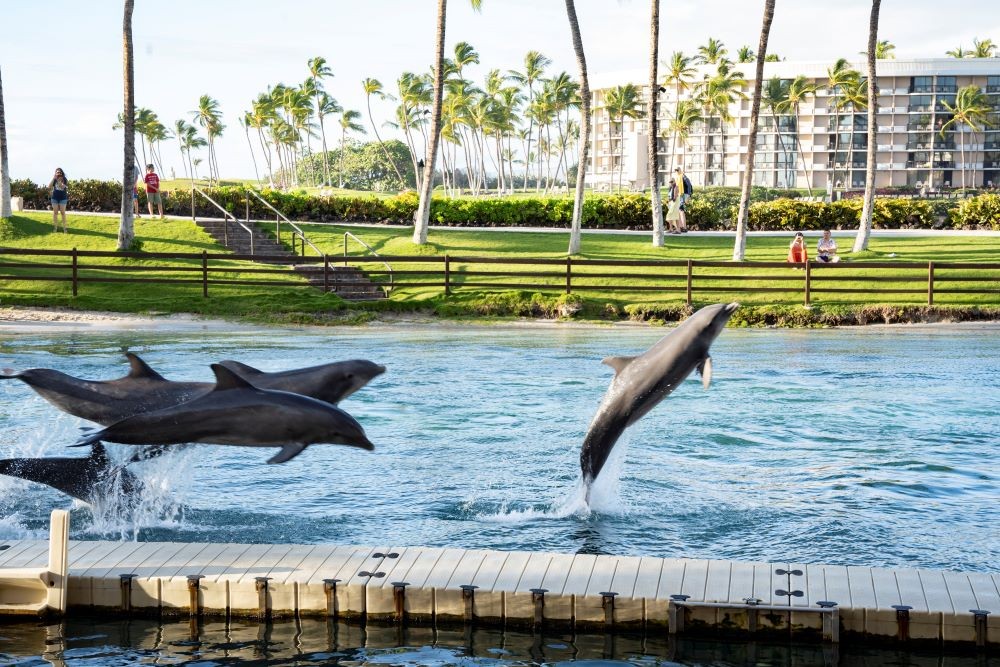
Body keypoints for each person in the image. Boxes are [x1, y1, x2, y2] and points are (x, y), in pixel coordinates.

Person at [49, 168, 69, 232]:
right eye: (57, 172)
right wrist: (53, 178)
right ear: (55, 173)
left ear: (62, 173)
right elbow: (49, 186)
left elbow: (62, 187)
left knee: (63, 213)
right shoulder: (54, 179)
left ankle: (65, 228)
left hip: (63, 198)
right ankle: (55, 228)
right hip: (54, 198)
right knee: (55, 213)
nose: (58, 173)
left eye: (60, 172)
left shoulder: (64, 179)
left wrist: (59, 181)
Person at [673, 167, 692, 233]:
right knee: (680, 211)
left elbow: (689, 185)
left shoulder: (683, 176)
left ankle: (684, 227)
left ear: (680, 170)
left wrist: (689, 195)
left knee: (681, 211)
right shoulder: (677, 177)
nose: (677, 171)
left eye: (677, 170)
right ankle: (682, 227)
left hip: (684, 195)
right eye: (675, 170)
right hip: (680, 195)